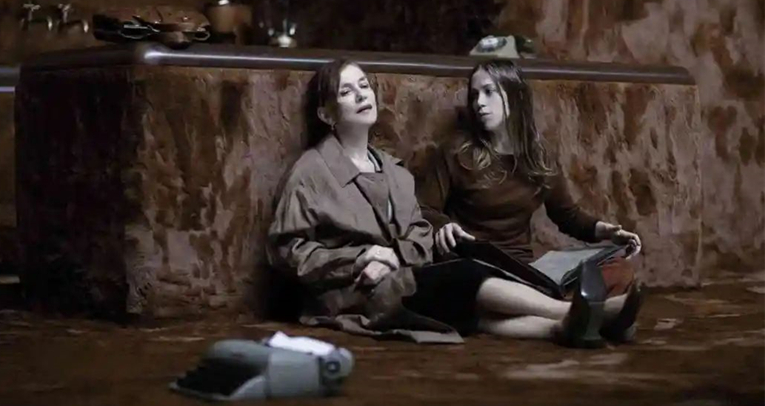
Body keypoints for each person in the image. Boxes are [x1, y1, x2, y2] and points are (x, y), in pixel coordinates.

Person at [268, 59, 634, 347]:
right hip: (353, 294)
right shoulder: (310, 171)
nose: (362, 95)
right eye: (347, 91)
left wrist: (393, 256)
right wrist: (360, 259)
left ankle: (567, 326)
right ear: (326, 114)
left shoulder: (394, 171)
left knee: (472, 309)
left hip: (405, 278)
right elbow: (287, 252)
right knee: (466, 274)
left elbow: (417, 233)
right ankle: (581, 310)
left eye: (364, 85)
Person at [417, 59, 644, 343]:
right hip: (476, 269)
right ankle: (590, 314)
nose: (479, 103)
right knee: (466, 276)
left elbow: (567, 216)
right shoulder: (455, 152)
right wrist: (443, 225)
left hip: (527, 272)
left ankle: (583, 317)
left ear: (514, 96)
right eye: (474, 95)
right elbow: (422, 208)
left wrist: (606, 231)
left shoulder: (538, 158)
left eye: (488, 92)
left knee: (619, 267)